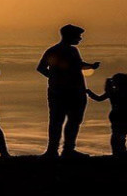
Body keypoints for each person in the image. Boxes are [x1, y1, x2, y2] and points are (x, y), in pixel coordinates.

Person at [36, 24, 101, 158]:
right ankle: (59, 150)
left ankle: (60, 150)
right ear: (69, 36)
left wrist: (90, 66)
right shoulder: (63, 51)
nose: (80, 38)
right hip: (68, 92)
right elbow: (41, 68)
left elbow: (42, 68)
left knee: (65, 120)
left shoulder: (61, 50)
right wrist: (56, 78)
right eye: (78, 36)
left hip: (67, 91)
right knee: (64, 121)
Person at [87, 73, 127, 155]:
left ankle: (120, 150)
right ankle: (118, 151)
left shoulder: (114, 91)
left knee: (120, 133)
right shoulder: (114, 91)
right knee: (119, 133)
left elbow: (99, 98)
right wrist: (89, 92)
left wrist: (89, 93)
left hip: (121, 115)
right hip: (119, 115)